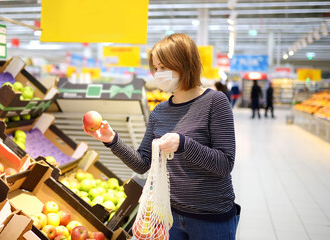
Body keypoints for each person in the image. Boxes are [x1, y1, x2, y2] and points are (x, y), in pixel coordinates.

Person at [83, 33, 240, 240]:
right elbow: (143, 163)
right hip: (169, 216)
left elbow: (225, 163)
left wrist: (183, 144)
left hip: (211, 218)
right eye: (156, 68)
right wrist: (112, 140)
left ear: (185, 63)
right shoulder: (159, 112)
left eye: (164, 67)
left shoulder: (215, 102)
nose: (158, 73)